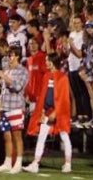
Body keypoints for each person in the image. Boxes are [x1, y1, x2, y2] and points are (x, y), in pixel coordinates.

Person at [28, 44, 74, 174]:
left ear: (53, 62)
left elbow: (63, 98)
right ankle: (35, 163)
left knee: (64, 136)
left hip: (60, 112)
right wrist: (42, 111)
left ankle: (68, 163)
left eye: (48, 60)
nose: (46, 62)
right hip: (47, 112)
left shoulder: (62, 77)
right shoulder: (46, 76)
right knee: (42, 136)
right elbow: (43, 95)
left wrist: (56, 112)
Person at [0, 48, 29, 173]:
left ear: (18, 56)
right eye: (9, 55)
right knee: (6, 136)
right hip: (5, 107)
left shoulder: (22, 71)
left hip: (16, 107)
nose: (9, 58)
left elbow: (17, 87)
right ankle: (7, 162)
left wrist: (4, 76)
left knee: (17, 136)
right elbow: (3, 91)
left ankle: (18, 163)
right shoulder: (7, 70)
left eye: (12, 55)